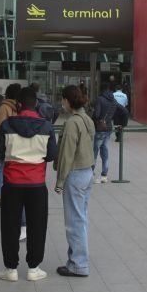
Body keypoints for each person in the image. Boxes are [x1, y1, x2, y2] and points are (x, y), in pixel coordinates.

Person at [0, 87, 57, 282]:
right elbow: (52, 156)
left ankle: (11, 269)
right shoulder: (47, 127)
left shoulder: (6, 125)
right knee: (37, 226)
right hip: (37, 184)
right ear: (36, 104)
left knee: (10, 226)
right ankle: (34, 268)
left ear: (18, 104)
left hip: (12, 183)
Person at [54, 85, 95, 277]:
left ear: (68, 100)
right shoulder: (87, 119)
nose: (62, 102)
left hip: (75, 174)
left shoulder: (72, 123)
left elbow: (67, 153)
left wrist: (60, 180)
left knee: (74, 221)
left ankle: (79, 263)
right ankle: (75, 260)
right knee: (80, 218)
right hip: (87, 171)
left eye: (63, 99)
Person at [92, 83, 126, 183]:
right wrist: (123, 124)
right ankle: (104, 175)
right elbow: (125, 111)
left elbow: (97, 114)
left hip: (99, 129)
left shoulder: (100, 99)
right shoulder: (113, 101)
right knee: (105, 152)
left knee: (94, 152)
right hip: (108, 128)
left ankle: (90, 174)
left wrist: (93, 118)